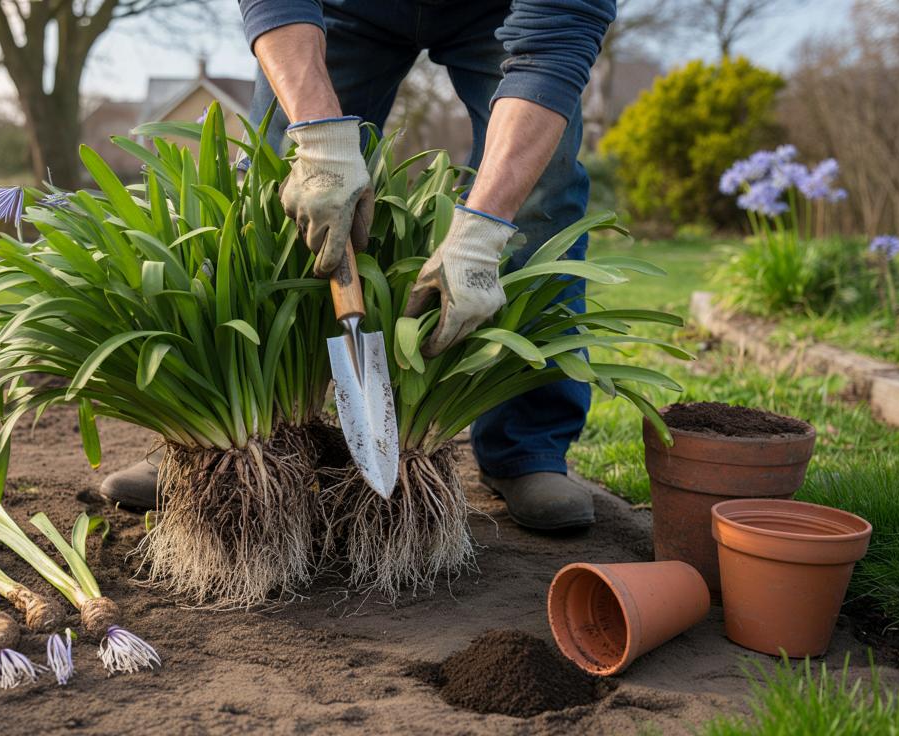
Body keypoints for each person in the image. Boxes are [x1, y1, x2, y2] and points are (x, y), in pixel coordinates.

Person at [102, 0, 615, 531]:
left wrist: (485, 230)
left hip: (502, 9)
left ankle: (526, 448)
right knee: (277, 169)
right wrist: (320, 140)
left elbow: (557, 36)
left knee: (541, 193)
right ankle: (224, 443)